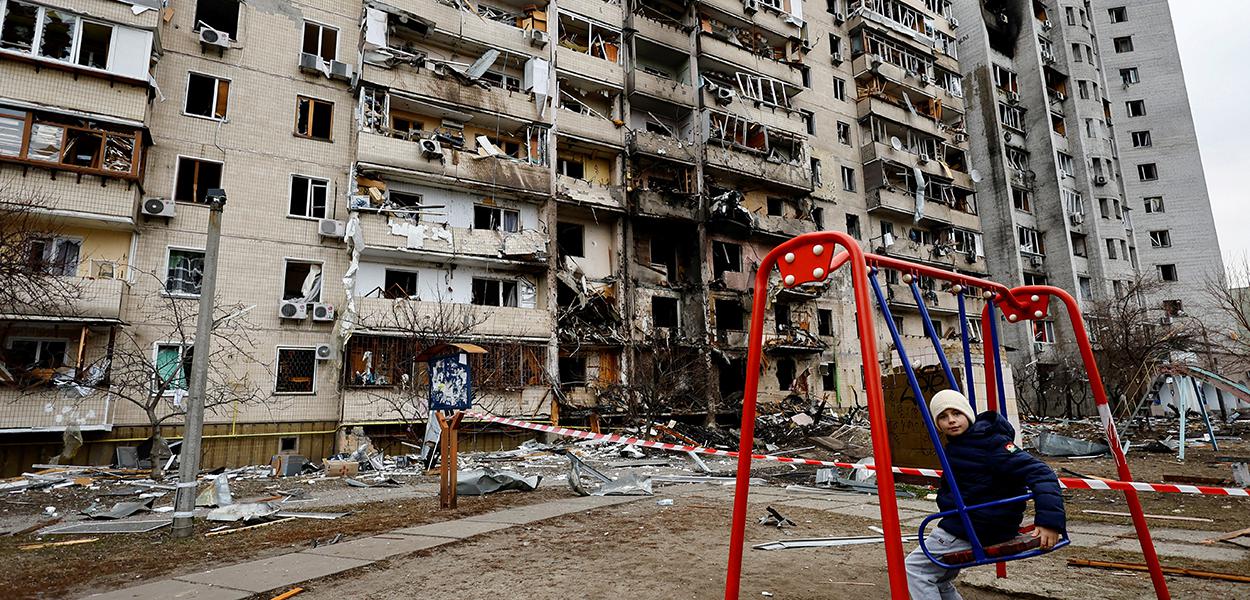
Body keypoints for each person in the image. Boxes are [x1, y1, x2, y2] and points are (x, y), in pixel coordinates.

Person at [905, 389, 1066, 600]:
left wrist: (1050, 523)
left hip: (976, 526)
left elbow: (1041, 473)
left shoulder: (990, 444)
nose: (951, 421)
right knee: (940, 579)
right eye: (943, 417)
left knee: (914, 568)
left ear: (968, 415)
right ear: (937, 424)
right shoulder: (962, 444)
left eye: (956, 413)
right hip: (976, 521)